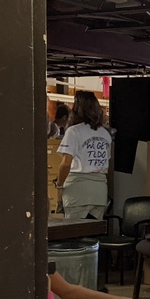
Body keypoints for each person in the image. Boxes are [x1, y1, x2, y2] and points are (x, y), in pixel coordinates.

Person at [56, 91, 112, 219]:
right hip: (100, 190)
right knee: (94, 233)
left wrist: (59, 185)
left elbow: (66, 164)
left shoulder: (73, 132)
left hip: (77, 190)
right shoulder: (105, 134)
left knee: (74, 233)